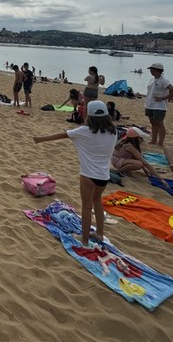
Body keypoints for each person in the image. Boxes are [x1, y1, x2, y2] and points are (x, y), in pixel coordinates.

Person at [33, 100, 118, 247]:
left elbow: (61, 135)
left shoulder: (84, 131)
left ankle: (84, 240)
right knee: (97, 201)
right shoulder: (113, 131)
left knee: (86, 206)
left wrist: (39, 139)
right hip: (104, 177)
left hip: (88, 176)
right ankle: (99, 233)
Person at [144, 62, 173, 147]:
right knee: (153, 123)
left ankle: (160, 142)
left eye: (153, 70)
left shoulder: (164, 81)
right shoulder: (152, 79)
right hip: (149, 104)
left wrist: (163, 98)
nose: (151, 71)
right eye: (151, 69)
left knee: (159, 123)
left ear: (159, 71)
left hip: (159, 106)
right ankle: (153, 140)